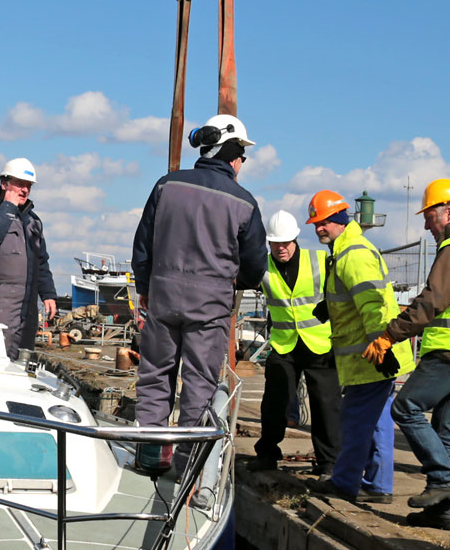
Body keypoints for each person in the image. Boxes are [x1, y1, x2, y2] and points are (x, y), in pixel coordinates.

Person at [365, 178, 450, 531]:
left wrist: (390, 335)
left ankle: (442, 479)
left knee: (405, 407)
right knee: (446, 427)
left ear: (449, 212)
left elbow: (433, 301)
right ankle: (446, 511)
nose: (426, 224)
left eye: (430, 216)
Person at [132, 114, 266, 469]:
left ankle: (149, 457)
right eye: (242, 155)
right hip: (210, 307)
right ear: (233, 152)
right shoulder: (244, 202)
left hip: (162, 297)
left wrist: (145, 288)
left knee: (155, 375)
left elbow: (142, 245)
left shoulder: (166, 186)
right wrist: (234, 281)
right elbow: (255, 266)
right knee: (200, 384)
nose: (242, 163)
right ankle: (186, 469)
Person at [309, 191, 414, 502]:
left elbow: (372, 305)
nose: (318, 229)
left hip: (369, 356)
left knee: (356, 422)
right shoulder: (347, 250)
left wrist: (380, 345)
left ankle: (345, 482)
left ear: (341, 220)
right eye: (315, 223)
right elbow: (361, 298)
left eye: (324, 222)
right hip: (372, 354)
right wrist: (330, 305)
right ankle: (378, 485)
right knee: (377, 420)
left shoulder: (352, 254)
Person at [250, 209, 341, 477]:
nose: (281, 248)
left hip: (320, 344)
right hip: (284, 345)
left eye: (286, 243)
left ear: (296, 239)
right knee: (275, 403)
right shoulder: (262, 266)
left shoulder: (321, 261)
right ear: (269, 243)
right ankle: (267, 454)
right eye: (275, 243)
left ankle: (329, 463)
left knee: (326, 406)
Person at [0, 157, 58, 359]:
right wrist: (8, 208)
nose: (24, 190)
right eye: (19, 184)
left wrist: (48, 294)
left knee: (22, 361)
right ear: (4, 183)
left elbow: (41, 261)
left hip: (27, 306)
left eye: (28, 186)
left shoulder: (33, 222)